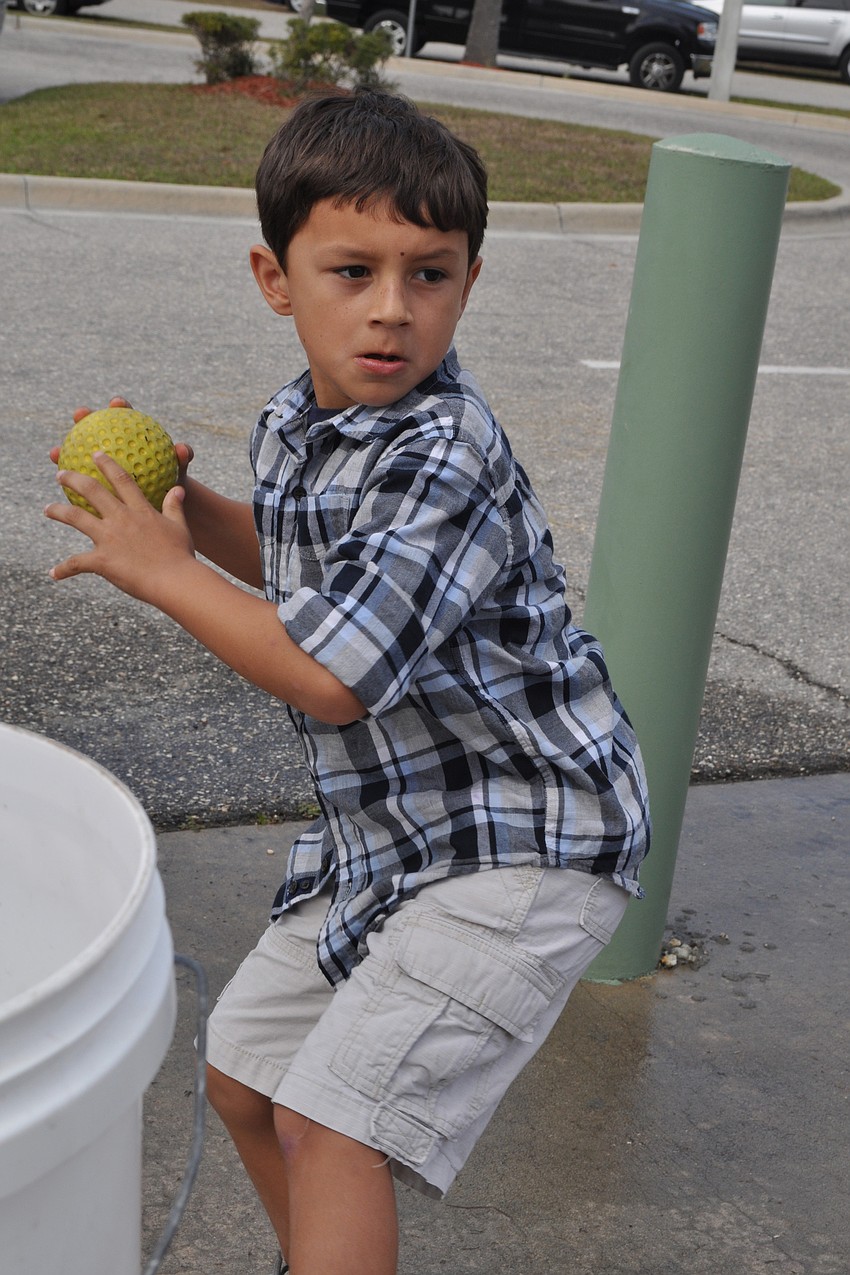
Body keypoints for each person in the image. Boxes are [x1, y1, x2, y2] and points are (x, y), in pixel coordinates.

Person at [46, 90, 650, 1275]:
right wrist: (180, 509)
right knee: (247, 1079)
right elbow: (309, 571)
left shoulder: (443, 450)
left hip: (523, 843)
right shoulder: (298, 422)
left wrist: (164, 573)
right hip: (395, 835)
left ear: (470, 282)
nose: (390, 310)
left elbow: (331, 674)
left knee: (334, 1124)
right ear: (276, 280)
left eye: (429, 275)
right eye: (351, 271)